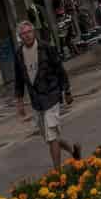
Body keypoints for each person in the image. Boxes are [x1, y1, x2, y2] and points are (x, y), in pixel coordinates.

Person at [13, 21, 81, 171]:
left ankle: (58, 173)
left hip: (51, 94)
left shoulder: (46, 48)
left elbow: (60, 70)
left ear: (34, 32)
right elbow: (18, 79)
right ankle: (72, 151)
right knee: (50, 138)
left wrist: (67, 91)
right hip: (36, 100)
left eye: (29, 31)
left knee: (51, 135)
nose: (27, 35)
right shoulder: (18, 54)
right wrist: (19, 102)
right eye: (24, 34)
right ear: (20, 37)